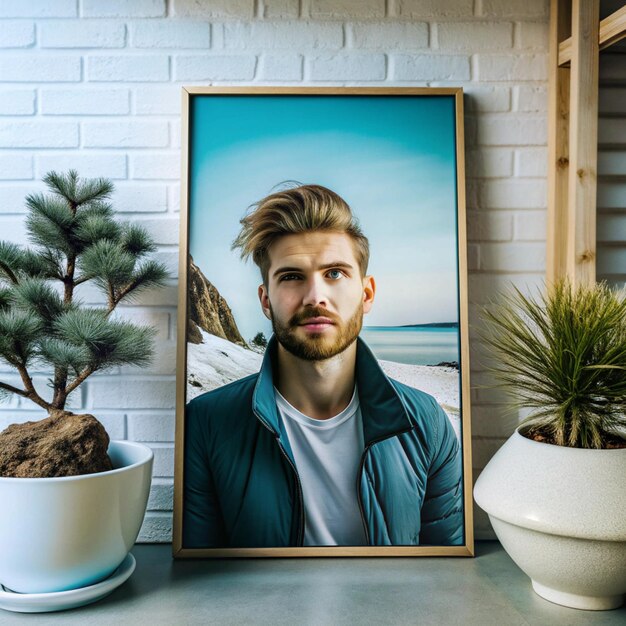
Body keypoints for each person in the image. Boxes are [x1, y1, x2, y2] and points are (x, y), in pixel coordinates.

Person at [183, 184, 463, 548]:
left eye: (334, 273)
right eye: (292, 276)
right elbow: (199, 584)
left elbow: (445, 577)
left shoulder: (426, 423)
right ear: (265, 301)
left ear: (366, 295)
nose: (316, 296)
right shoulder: (206, 424)